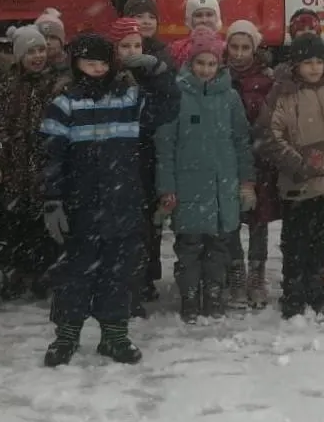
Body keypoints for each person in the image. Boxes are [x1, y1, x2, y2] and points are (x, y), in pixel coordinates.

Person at [39, 33, 179, 366]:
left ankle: (115, 335)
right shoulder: (65, 102)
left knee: (119, 274)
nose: (97, 69)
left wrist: (157, 71)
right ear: (77, 64)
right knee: (75, 274)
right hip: (80, 206)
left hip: (123, 204)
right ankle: (67, 336)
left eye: (103, 63)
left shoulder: (129, 99)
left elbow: (169, 106)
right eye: (90, 63)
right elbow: (50, 155)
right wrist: (52, 199)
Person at [155, 29, 254, 323]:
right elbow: (165, 146)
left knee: (219, 246)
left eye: (212, 64)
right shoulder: (176, 95)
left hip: (223, 188)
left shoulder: (230, 97)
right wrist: (167, 188)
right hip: (188, 188)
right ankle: (189, 296)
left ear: (220, 65)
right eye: (201, 63)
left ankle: (213, 292)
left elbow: (241, 142)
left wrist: (246, 181)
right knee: (189, 247)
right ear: (190, 63)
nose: (206, 70)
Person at [260, 33, 324, 321]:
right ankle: (293, 291)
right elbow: (269, 135)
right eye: (307, 62)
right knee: (295, 239)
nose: (314, 68)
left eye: (318, 61)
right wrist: (297, 162)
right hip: (299, 182)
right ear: (295, 64)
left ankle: (318, 287)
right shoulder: (284, 95)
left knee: (322, 238)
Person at [0, 24, 70, 300]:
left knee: (43, 228)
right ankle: (15, 273)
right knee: (15, 227)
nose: (37, 56)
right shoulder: (8, 87)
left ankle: (43, 274)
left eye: (40, 50)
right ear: (19, 55)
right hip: (15, 170)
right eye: (30, 51)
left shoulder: (55, 85)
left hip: (43, 167)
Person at [111, 17, 166, 315]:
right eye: (125, 46)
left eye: (136, 45)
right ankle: (123, 287)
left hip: (145, 160)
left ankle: (143, 280)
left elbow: (166, 109)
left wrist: (157, 76)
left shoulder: (150, 76)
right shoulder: (110, 79)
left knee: (146, 226)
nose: (132, 51)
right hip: (117, 162)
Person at [224, 19, 278, 310]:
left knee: (258, 218)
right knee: (230, 218)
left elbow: (272, 118)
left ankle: (257, 273)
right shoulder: (218, 76)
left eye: (246, 47)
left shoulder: (266, 80)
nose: (240, 53)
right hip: (226, 157)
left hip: (258, 158)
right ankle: (235, 271)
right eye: (235, 46)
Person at [169, 0, 223, 65]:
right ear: (190, 20)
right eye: (198, 15)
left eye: (209, 14)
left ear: (217, 18)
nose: (204, 20)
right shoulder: (176, 50)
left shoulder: (226, 50)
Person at [123, 0, 174, 66]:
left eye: (152, 17)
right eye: (139, 16)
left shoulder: (164, 53)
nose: (147, 22)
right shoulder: (116, 49)